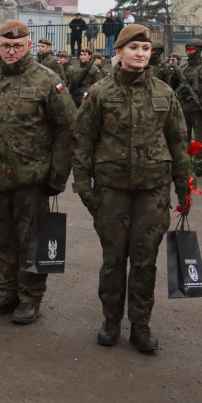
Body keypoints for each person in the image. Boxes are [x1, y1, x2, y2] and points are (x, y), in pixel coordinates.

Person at [73, 23, 189, 353]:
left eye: (145, 49)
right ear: (119, 52)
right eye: (134, 48)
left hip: (152, 190)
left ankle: (140, 324)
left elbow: (178, 142)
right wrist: (84, 187)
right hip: (111, 189)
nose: (140, 54)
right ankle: (111, 320)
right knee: (113, 259)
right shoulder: (100, 93)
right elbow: (82, 141)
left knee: (144, 260)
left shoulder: (164, 93)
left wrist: (184, 187)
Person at [0, 20, 77, 325]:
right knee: (3, 240)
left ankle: (30, 298)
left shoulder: (46, 80)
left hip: (33, 179)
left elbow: (67, 129)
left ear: (28, 45)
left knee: (32, 240)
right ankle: (7, 292)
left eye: (17, 45)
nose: (11, 51)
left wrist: (57, 176)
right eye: (5, 45)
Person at [170, 38, 202, 177]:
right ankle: (184, 163)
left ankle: (198, 164)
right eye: (187, 50)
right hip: (185, 107)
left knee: (199, 139)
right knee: (183, 138)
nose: (189, 52)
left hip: (199, 108)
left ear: (199, 50)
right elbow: (174, 87)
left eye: (191, 50)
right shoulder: (183, 68)